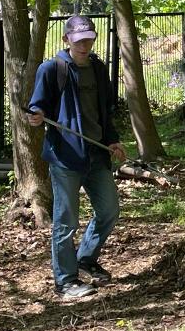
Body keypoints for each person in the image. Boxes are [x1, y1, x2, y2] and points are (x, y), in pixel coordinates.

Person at [27, 15, 126, 299]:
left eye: (89, 38)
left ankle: (85, 258)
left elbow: (105, 110)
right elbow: (38, 106)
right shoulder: (52, 68)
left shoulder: (97, 68)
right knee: (65, 221)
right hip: (65, 158)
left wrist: (113, 140)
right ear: (66, 39)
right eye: (79, 39)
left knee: (109, 210)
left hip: (96, 153)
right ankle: (65, 281)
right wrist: (37, 117)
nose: (85, 44)